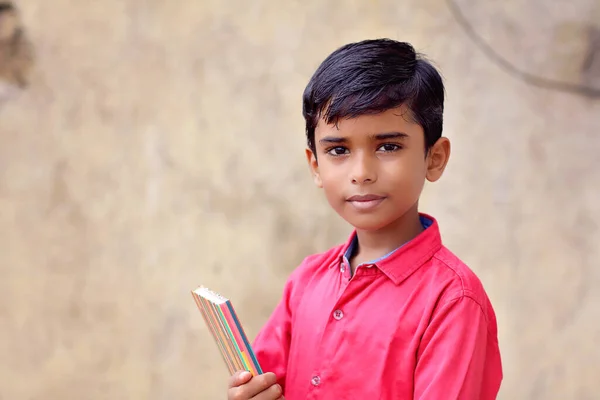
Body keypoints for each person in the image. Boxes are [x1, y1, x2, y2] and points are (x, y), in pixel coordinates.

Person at [226, 38, 503, 400]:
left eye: (388, 146)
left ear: (434, 158)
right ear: (316, 166)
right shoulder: (307, 282)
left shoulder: (452, 301)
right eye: (338, 150)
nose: (361, 172)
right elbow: (266, 383)